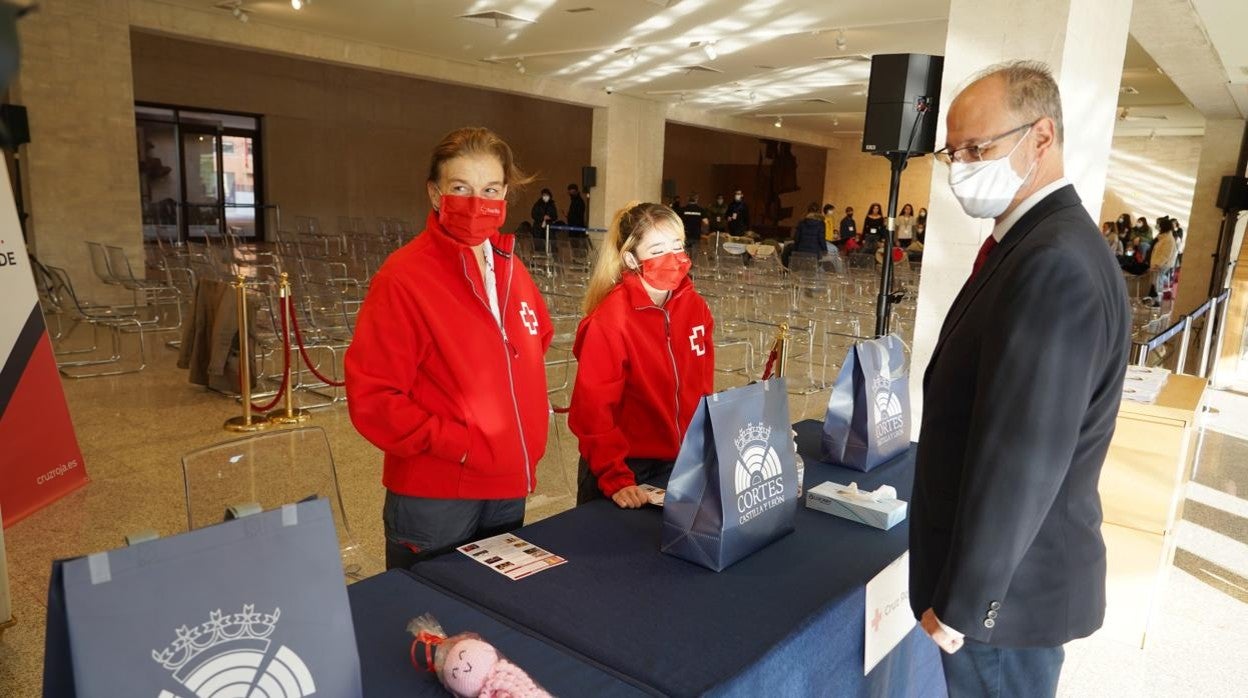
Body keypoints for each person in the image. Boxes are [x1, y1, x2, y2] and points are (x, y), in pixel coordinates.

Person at [913, 61, 1129, 697]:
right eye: (952, 153)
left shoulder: (1054, 262)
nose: (961, 167)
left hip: (1005, 598)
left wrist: (965, 602)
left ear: (1042, 138)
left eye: (978, 148)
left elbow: (1024, 455)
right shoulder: (1030, 244)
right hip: (1010, 585)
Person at [345, 127, 554, 571]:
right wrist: (458, 443)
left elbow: (538, 339)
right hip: (436, 494)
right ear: (436, 194)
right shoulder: (404, 277)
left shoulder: (509, 266)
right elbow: (374, 399)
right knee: (428, 627)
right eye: (460, 188)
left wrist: (526, 428)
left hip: (506, 486)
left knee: (495, 623)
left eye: (490, 190)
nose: (476, 203)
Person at [569, 202, 715, 507]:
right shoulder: (611, 319)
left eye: (678, 246)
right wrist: (615, 475)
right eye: (658, 250)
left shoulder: (695, 308)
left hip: (680, 460)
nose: (673, 259)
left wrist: (704, 448)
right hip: (625, 466)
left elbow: (701, 387)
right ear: (631, 258)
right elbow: (592, 412)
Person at [1145, 217, 1178, 306]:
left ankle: (1157, 302)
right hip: (1157, 264)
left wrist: (1157, 264)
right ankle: (1153, 300)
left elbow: (1165, 255)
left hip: (1160, 265)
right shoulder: (1164, 238)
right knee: (1155, 282)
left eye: (1160, 225)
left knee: (1157, 283)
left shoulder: (1168, 240)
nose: (1158, 226)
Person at [680, 193, 707, 262]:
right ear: (697, 199)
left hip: (685, 235)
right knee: (694, 254)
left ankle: (686, 267)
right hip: (696, 235)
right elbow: (706, 222)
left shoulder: (682, 209)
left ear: (687, 199)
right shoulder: (701, 210)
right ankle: (693, 267)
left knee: (685, 253)